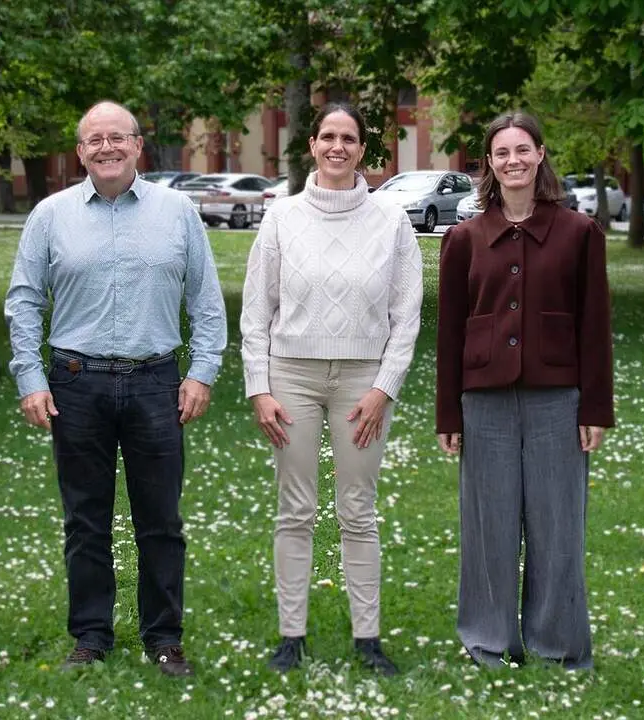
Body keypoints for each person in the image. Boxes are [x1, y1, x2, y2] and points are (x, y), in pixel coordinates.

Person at [5, 101, 227, 677]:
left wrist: (202, 371)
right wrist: (30, 377)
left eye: (117, 138)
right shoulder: (50, 216)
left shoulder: (177, 211)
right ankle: (91, 635)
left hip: (156, 383)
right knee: (85, 520)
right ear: (80, 152)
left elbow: (205, 300)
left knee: (161, 520)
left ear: (137, 146)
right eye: (94, 140)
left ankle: (163, 637)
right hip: (75, 384)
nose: (106, 148)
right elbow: (24, 300)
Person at [239, 102, 423, 676]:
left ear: (362, 150)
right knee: (294, 511)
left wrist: (384, 387)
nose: (337, 146)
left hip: (362, 383)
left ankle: (367, 639)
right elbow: (255, 311)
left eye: (349, 138)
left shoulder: (391, 220)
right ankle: (290, 636)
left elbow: (407, 313)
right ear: (312, 146)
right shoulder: (281, 218)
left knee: (357, 512)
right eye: (327, 137)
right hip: (291, 375)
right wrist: (259, 388)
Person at [434, 111, 613, 670]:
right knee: (488, 526)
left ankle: (558, 646)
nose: (513, 161)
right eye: (501, 152)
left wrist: (596, 408)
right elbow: (449, 333)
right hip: (482, 401)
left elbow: (594, 325)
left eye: (522, 150)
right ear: (488, 163)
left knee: (558, 525)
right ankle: (490, 644)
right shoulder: (465, 239)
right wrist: (449, 415)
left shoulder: (579, 233)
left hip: (557, 400)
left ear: (540, 155)